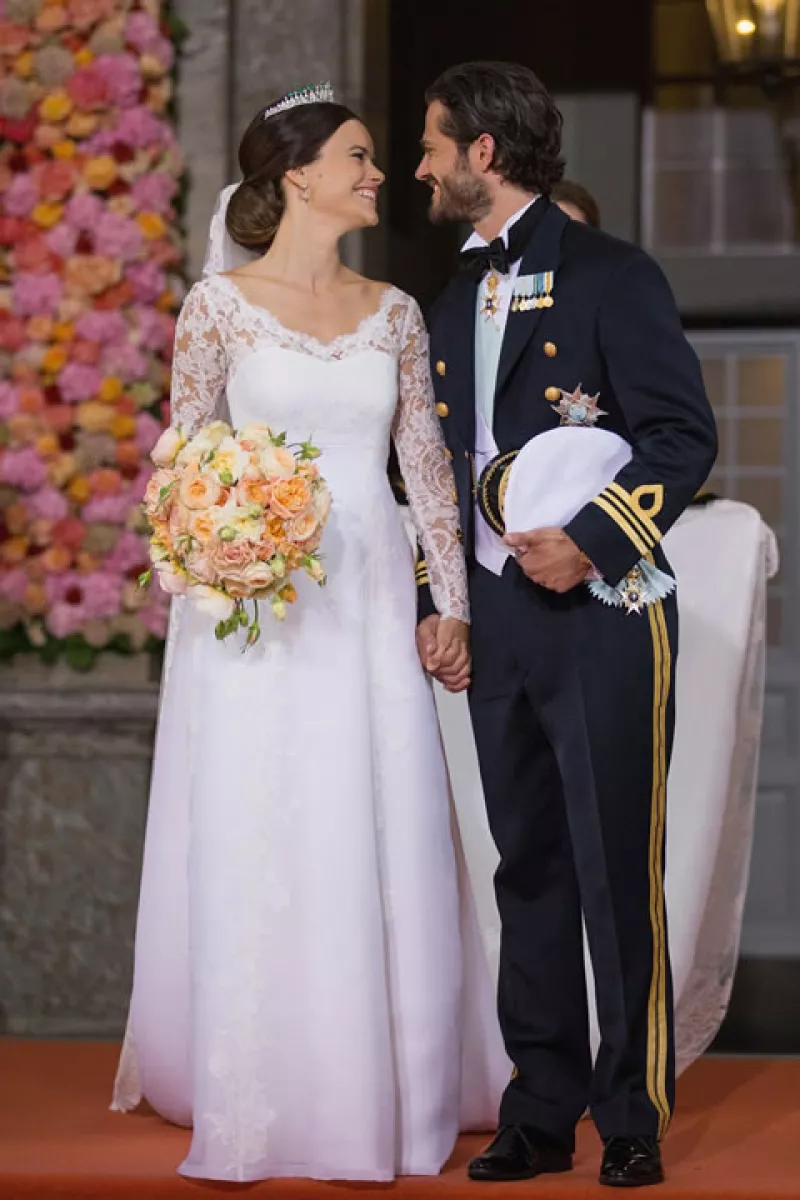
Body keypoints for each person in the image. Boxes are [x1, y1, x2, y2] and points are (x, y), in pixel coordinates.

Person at [111, 84, 509, 1183]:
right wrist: (215, 546)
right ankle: (263, 1075)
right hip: (255, 608)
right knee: (264, 817)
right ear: (295, 176)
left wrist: (450, 605)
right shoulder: (219, 308)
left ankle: (389, 1076)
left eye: (378, 158)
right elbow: (182, 463)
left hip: (370, 589)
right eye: (357, 157)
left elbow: (426, 473)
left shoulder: (393, 311)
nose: (378, 174)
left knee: (372, 812)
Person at [414, 62, 717, 1187]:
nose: (420, 167)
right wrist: (436, 604)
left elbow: (681, 437)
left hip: (600, 608)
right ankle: (537, 1110)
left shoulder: (607, 273)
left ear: (480, 154)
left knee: (609, 865)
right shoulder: (445, 299)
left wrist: (592, 537)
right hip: (496, 621)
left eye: (432, 146)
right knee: (526, 866)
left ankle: (629, 1113)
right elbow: (433, 480)